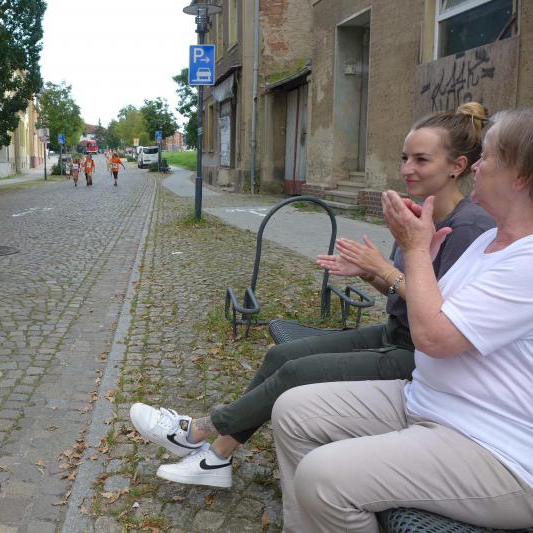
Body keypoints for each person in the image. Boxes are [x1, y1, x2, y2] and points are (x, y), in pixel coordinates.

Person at [129, 103, 496, 489]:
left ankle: (196, 432)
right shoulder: (419, 215)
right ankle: (217, 459)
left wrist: (385, 270)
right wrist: (370, 273)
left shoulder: (469, 228)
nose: (407, 168)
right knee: (280, 355)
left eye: (421, 159)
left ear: (456, 166)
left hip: (422, 357)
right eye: (404, 158)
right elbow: (402, 293)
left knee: (295, 373)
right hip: (395, 333)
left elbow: (445, 315)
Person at [272, 107, 533, 532]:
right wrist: (419, 258)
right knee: (293, 411)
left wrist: (413, 251)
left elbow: (433, 337)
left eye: (487, 157)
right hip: (428, 401)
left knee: (325, 478)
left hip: (496, 446)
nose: (477, 166)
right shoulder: (489, 239)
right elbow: (439, 308)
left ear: (520, 175)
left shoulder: (527, 260)